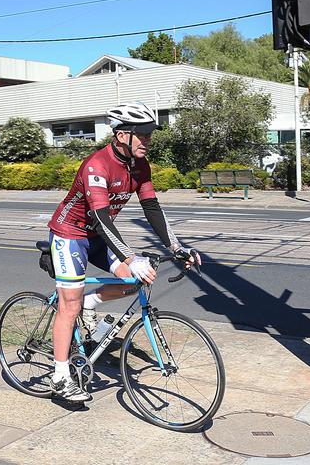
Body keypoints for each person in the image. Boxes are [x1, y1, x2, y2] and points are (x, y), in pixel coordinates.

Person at [46, 102, 201, 402]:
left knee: (137, 280)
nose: (148, 140)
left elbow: (152, 208)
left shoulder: (140, 165)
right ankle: (60, 376)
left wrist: (177, 247)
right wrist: (131, 256)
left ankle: (89, 302)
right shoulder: (96, 166)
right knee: (69, 305)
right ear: (121, 135)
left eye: (150, 134)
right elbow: (102, 219)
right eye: (142, 134)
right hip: (70, 234)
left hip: (97, 235)